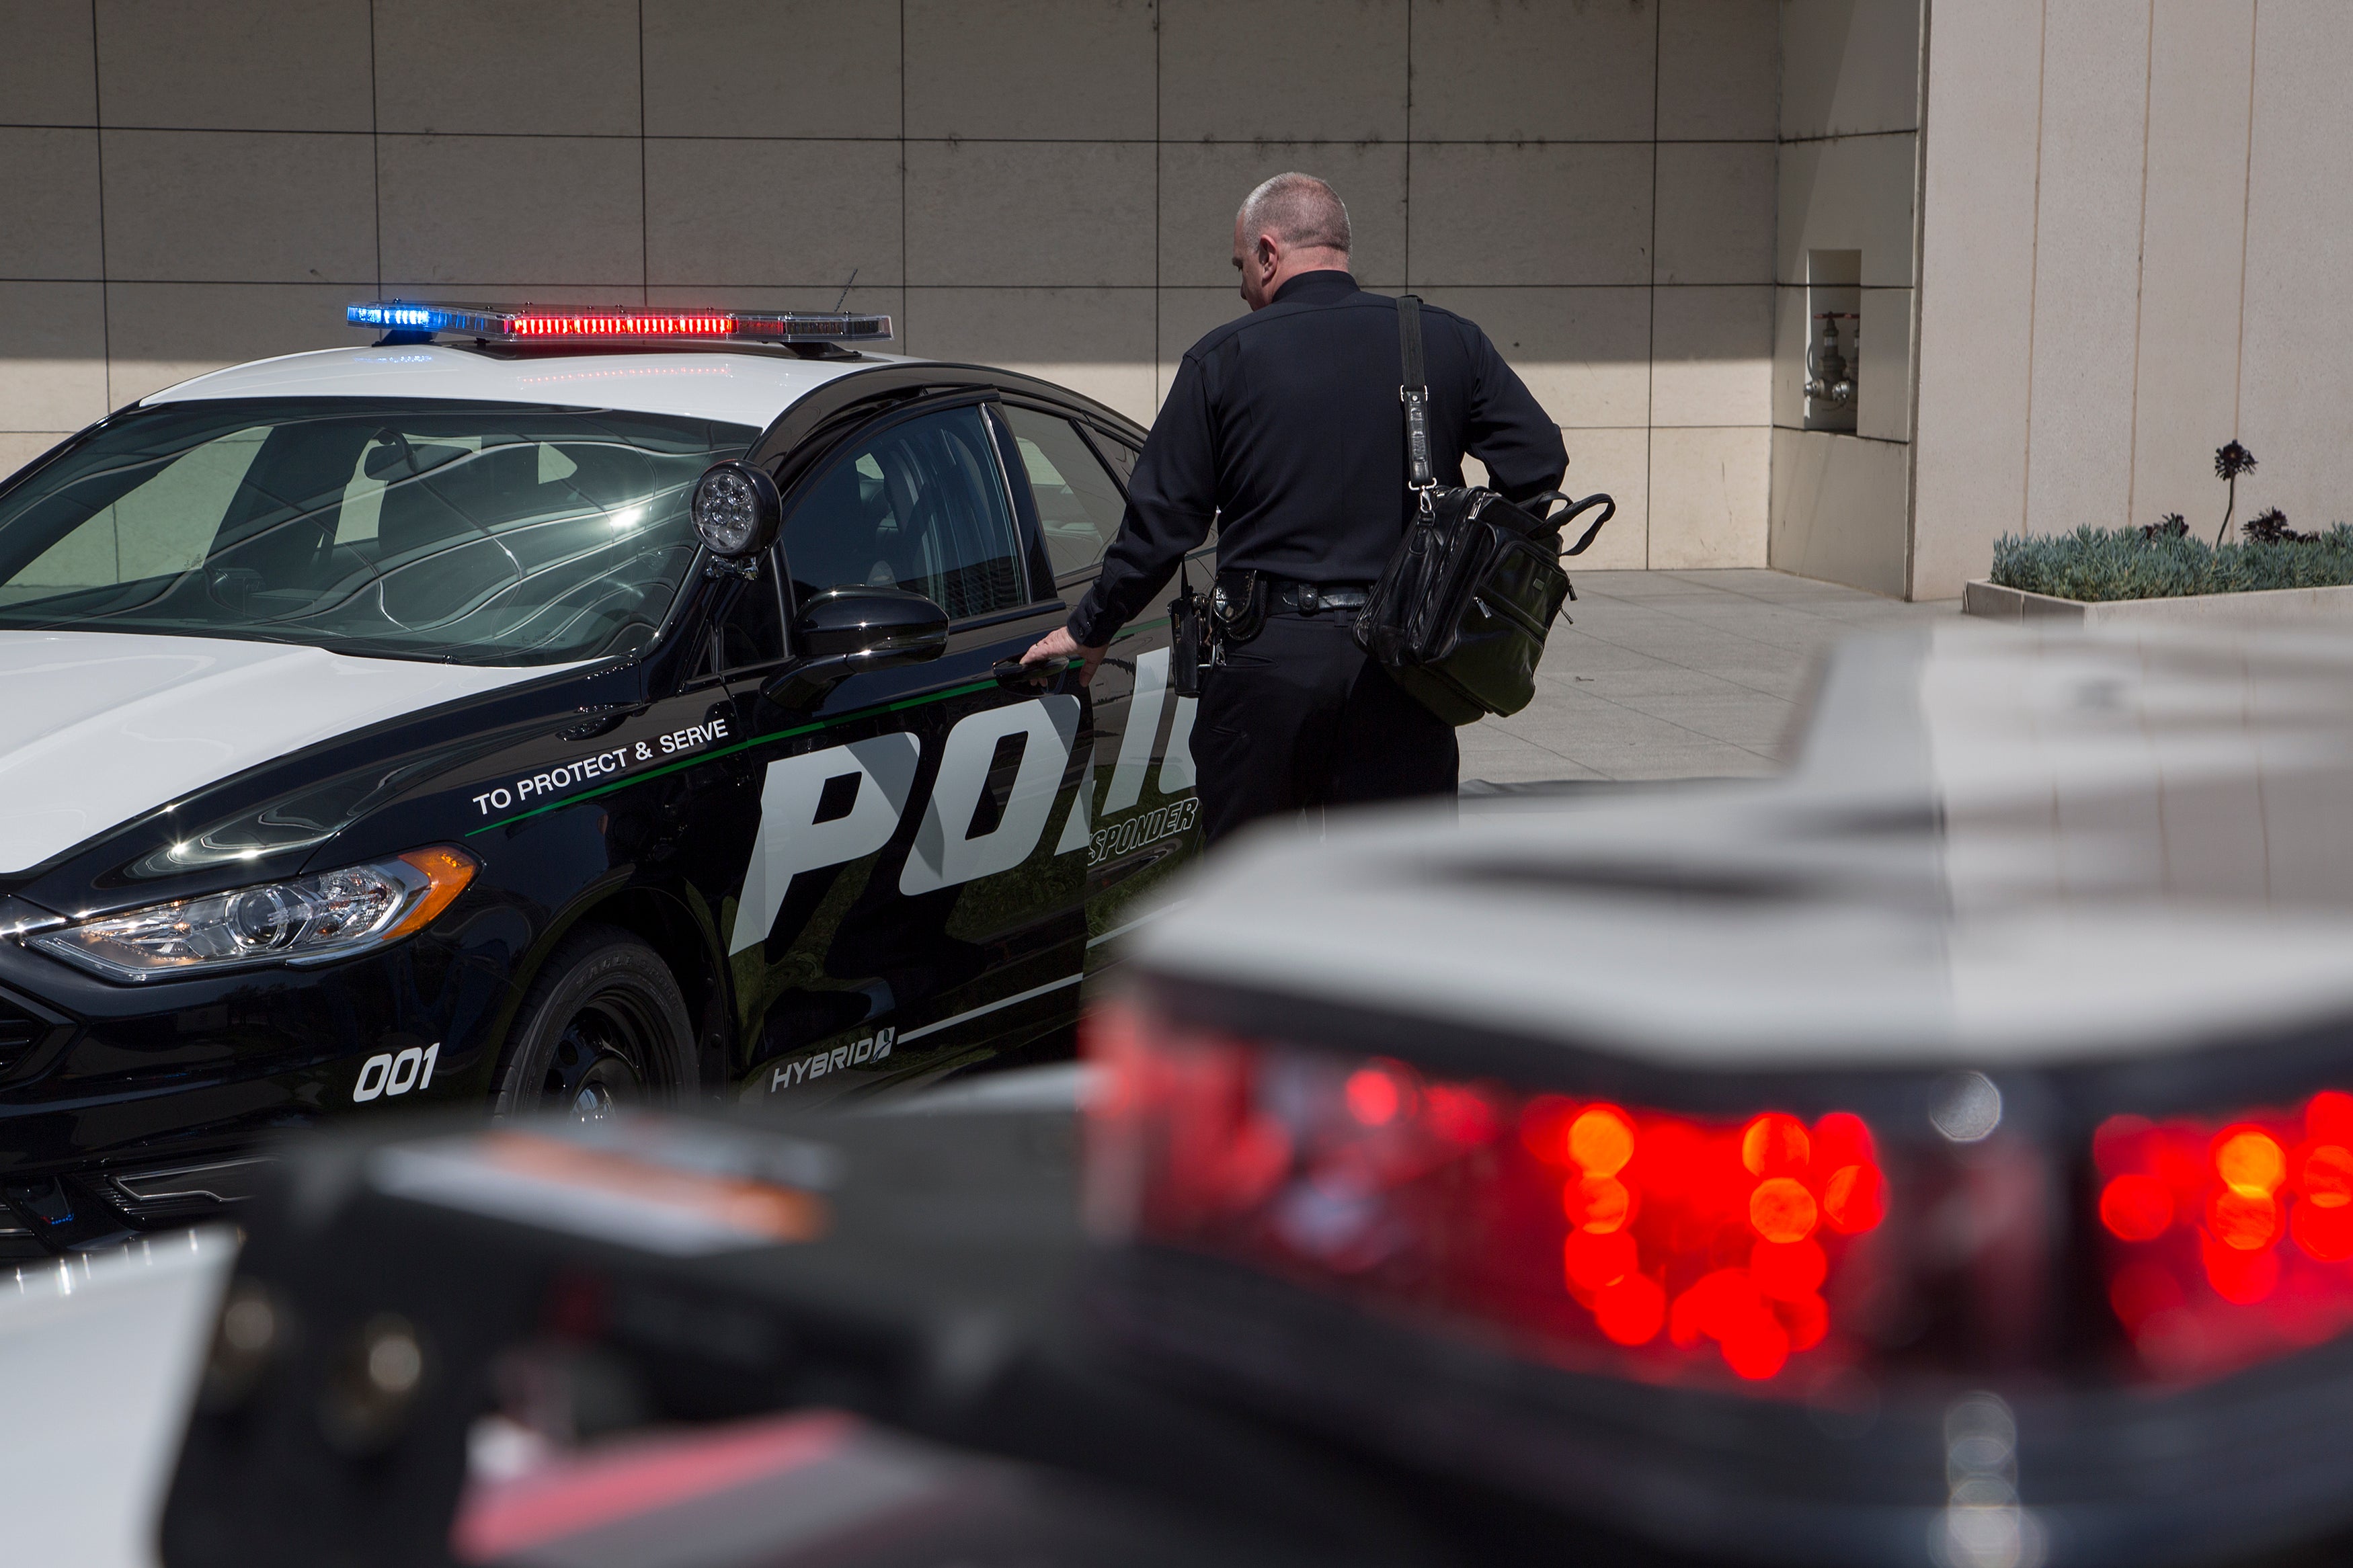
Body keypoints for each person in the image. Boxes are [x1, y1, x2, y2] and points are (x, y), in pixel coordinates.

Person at [1021, 173, 1568, 844]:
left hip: (1265, 665)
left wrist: (1091, 628)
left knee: (1252, 900)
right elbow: (1538, 464)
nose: (1242, 286)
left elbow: (1160, 525)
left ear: (1268, 250)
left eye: (1239, 265)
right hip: (1404, 670)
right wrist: (1462, 575)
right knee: (1395, 899)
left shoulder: (1223, 357)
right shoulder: (1443, 341)